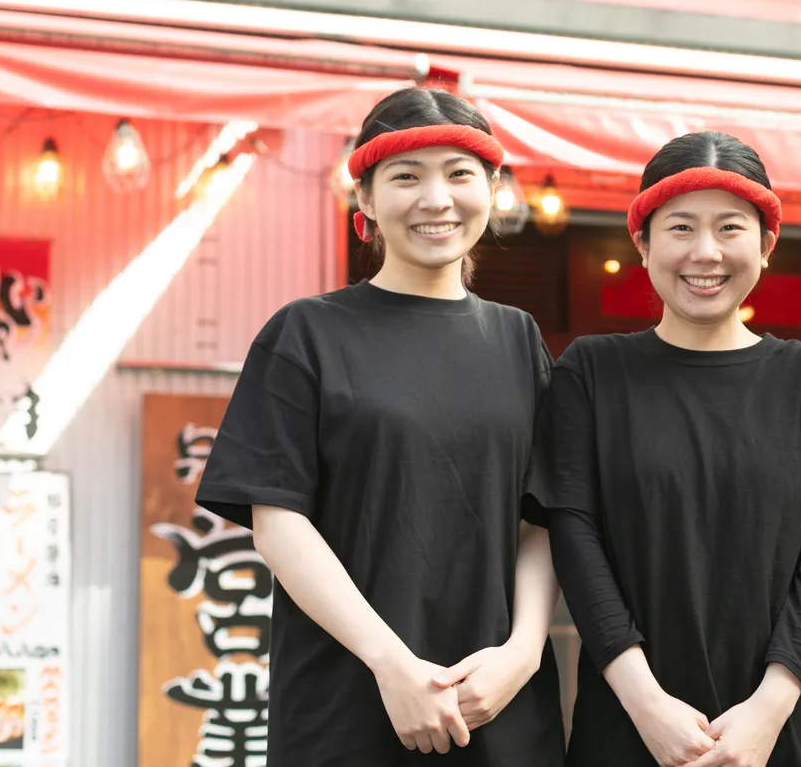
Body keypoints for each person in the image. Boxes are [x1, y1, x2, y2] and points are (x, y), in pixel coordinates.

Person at [195, 87, 565, 766]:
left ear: (489, 186)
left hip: (499, 705)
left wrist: (523, 650)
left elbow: (541, 519)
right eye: (406, 176)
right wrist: (390, 662)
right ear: (364, 198)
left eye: (459, 174)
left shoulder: (517, 339)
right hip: (348, 705)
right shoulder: (306, 333)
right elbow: (279, 523)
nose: (436, 199)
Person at [530, 131, 801, 767]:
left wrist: (769, 706)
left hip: (785, 730)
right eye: (680, 227)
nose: (705, 252)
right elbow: (575, 537)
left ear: (765, 246)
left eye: (730, 227)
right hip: (630, 728)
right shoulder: (592, 374)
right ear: (643, 242)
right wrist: (645, 703)